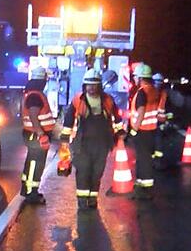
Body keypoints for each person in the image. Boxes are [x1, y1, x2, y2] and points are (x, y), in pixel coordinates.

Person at [59, 68, 125, 209]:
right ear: (85, 86)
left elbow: (116, 118)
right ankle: (82, 201)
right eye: (89, 85)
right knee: (83, 171)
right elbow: (69, 120)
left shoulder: (107, 100)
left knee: (97, 173)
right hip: (82, 144)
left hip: (102, 144)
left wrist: (120, 132)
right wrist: (65, 138)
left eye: (94, 85)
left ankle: (92, 198)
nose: (92, 88)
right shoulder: (78, 100)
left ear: (99, 86)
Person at [21, 67, 56, 204]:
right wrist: (41, 133)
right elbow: (33, 115)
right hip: (36, 135)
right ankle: (32, 193)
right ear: (42, 80)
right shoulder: (35, 96)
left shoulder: (32, 94)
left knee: (31, 162)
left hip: (33, 134)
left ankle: (27, 188)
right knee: (36, 163)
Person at [127, 64, 163, 199]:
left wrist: (134, 130)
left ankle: (145, 190)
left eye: (136, 77)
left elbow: (141, 111)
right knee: (144, 159)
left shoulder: (142, 92)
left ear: (141, 78)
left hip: (142, 131)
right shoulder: (153, 90)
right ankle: (141, 185)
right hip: (151, 130)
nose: (134, 79)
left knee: (143, 160)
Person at [151, 72, 168, 168]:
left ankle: (154, 161)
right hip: (156, 122)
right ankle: (156, 162)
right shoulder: (163, 92)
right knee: (157, 141)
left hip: (154, 122)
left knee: (156, 141)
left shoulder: (150, 91)